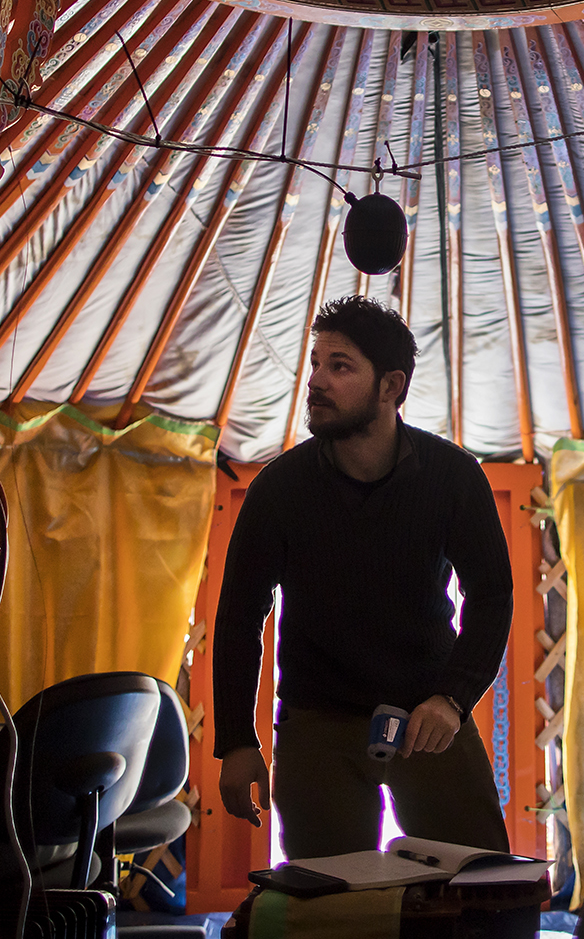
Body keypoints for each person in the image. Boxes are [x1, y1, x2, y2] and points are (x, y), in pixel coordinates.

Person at [212, 296, 513, 860]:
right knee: (325, 904)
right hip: (315, 720)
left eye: (340, 366)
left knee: (476, 883)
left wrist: (453, 697)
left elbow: (492, 595)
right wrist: (234, 739)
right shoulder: (278, 491)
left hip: (427, 714)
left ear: (391, 387)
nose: (317, 381)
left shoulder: (452, 478)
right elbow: (238, 617)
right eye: (316, 363)